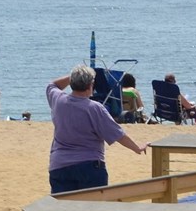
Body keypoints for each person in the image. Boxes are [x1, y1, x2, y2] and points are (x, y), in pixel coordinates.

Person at [47, 65, 148, 194]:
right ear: (91, 85)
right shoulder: (94, 108)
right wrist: (137, 148)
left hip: (59, 165)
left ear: (72, 83)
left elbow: (52, 85)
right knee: (93, 210)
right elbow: (118, 135)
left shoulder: (58, 100)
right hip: (89, 166)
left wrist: (73, 76)